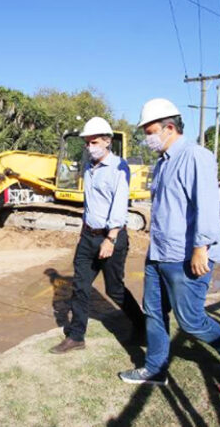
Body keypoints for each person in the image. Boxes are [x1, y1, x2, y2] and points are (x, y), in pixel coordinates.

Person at [117, 99, 220, 392]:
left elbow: (206, 205)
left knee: (190, 320)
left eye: (150, 131)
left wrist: (202, 247)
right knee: (153, 312)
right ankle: (156, 367)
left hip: (187, 256)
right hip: (159, 253)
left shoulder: (195, 156)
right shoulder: (163, 164)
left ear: (170, 128)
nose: (147, 138)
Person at [49, 117, 146, 354]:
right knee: (80, 286)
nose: (88, 147)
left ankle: (142, 325)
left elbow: (119, 205)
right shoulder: (88, 168)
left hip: (110, 237)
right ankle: (76, 336)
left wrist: (111, 238)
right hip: (88, 237)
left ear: (106, 141)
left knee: (115, 289)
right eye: (86, 143)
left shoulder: (119, 168)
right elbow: (90, 204)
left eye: (93, 142)